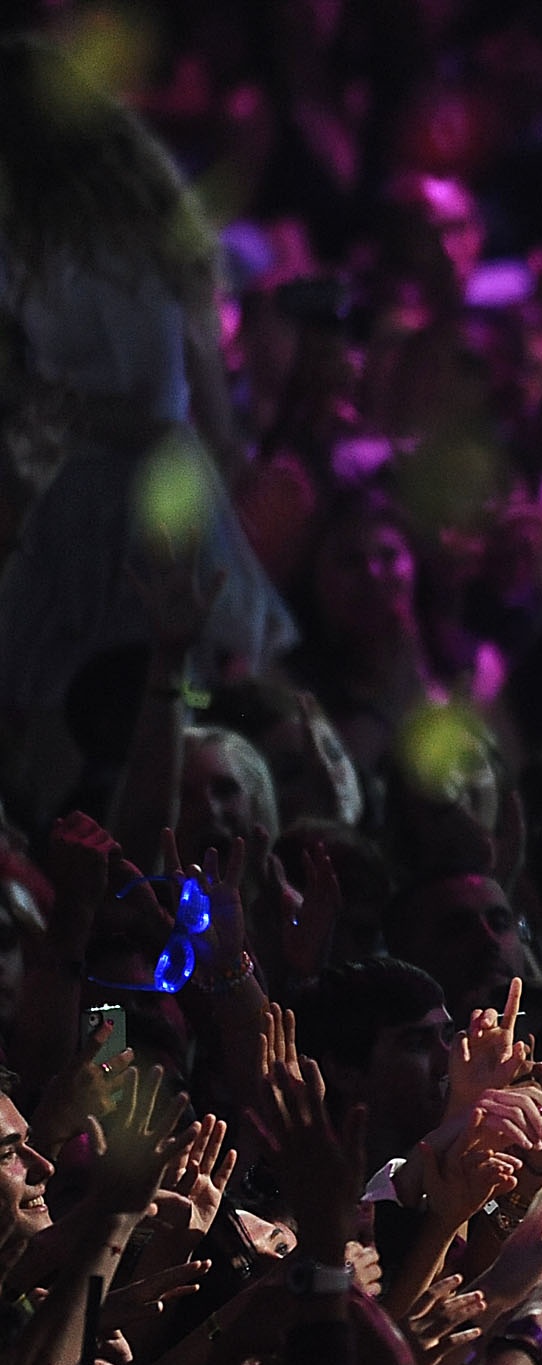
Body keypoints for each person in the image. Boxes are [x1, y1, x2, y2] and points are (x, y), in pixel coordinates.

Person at [0, 35, 296, 826]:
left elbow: (128, 405)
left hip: (112, 493)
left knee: (86, 723)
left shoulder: (50, 241)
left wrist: (46, 407)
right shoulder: (128, 215)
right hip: (148, 483)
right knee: (134, 714)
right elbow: (196, 379)